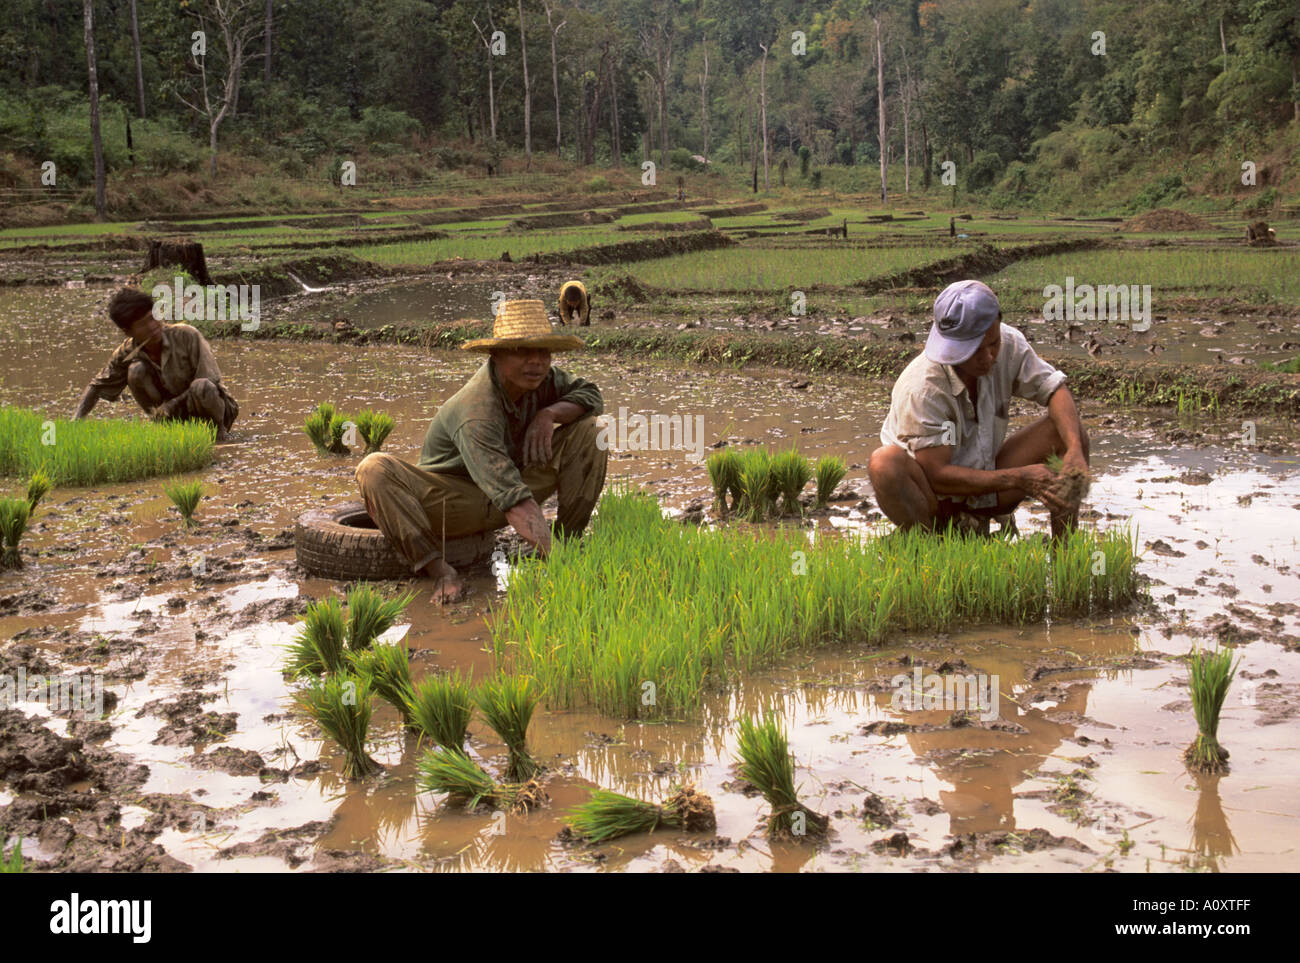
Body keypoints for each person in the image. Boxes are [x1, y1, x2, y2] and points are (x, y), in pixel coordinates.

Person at [356, 300, 607, 603]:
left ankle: (570, 541)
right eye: (522, 351)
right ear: (496, 354)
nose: (536, 361)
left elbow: (591, 395)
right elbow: (512, 497)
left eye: (543, 351)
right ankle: (440, 571)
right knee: (374, 468)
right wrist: (568, 569)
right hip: (453, 505)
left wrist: (549, 414)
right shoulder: (478, 410)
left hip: (504, 491)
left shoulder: (544, 379)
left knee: (593, 430)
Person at [868, 279, 1090, 538]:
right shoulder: (922, 387)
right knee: (884, 463)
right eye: (974, 351)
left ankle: (1066, 554)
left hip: (987, 483)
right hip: (934, 498)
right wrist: (1018, 478)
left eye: (993, 344)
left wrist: (1074, 449)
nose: (988, 358)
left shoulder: (1009, 343)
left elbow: (1055, 390)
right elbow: (937, 474)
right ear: (952, 347)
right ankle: (931, 539)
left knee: (1068, 432)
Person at [73, 287, 239, 440]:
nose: (153, 326)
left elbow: (209, 381)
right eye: (143, 324)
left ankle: (220, 435)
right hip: (171, 415)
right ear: (128, 332)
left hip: (214, 409)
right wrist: (75, 422)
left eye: (153, 317)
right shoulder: (126, 353)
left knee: (202, 386)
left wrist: (172, 404)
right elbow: (97, 386)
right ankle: (167, 428)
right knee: (135, 371)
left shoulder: (187, 335)